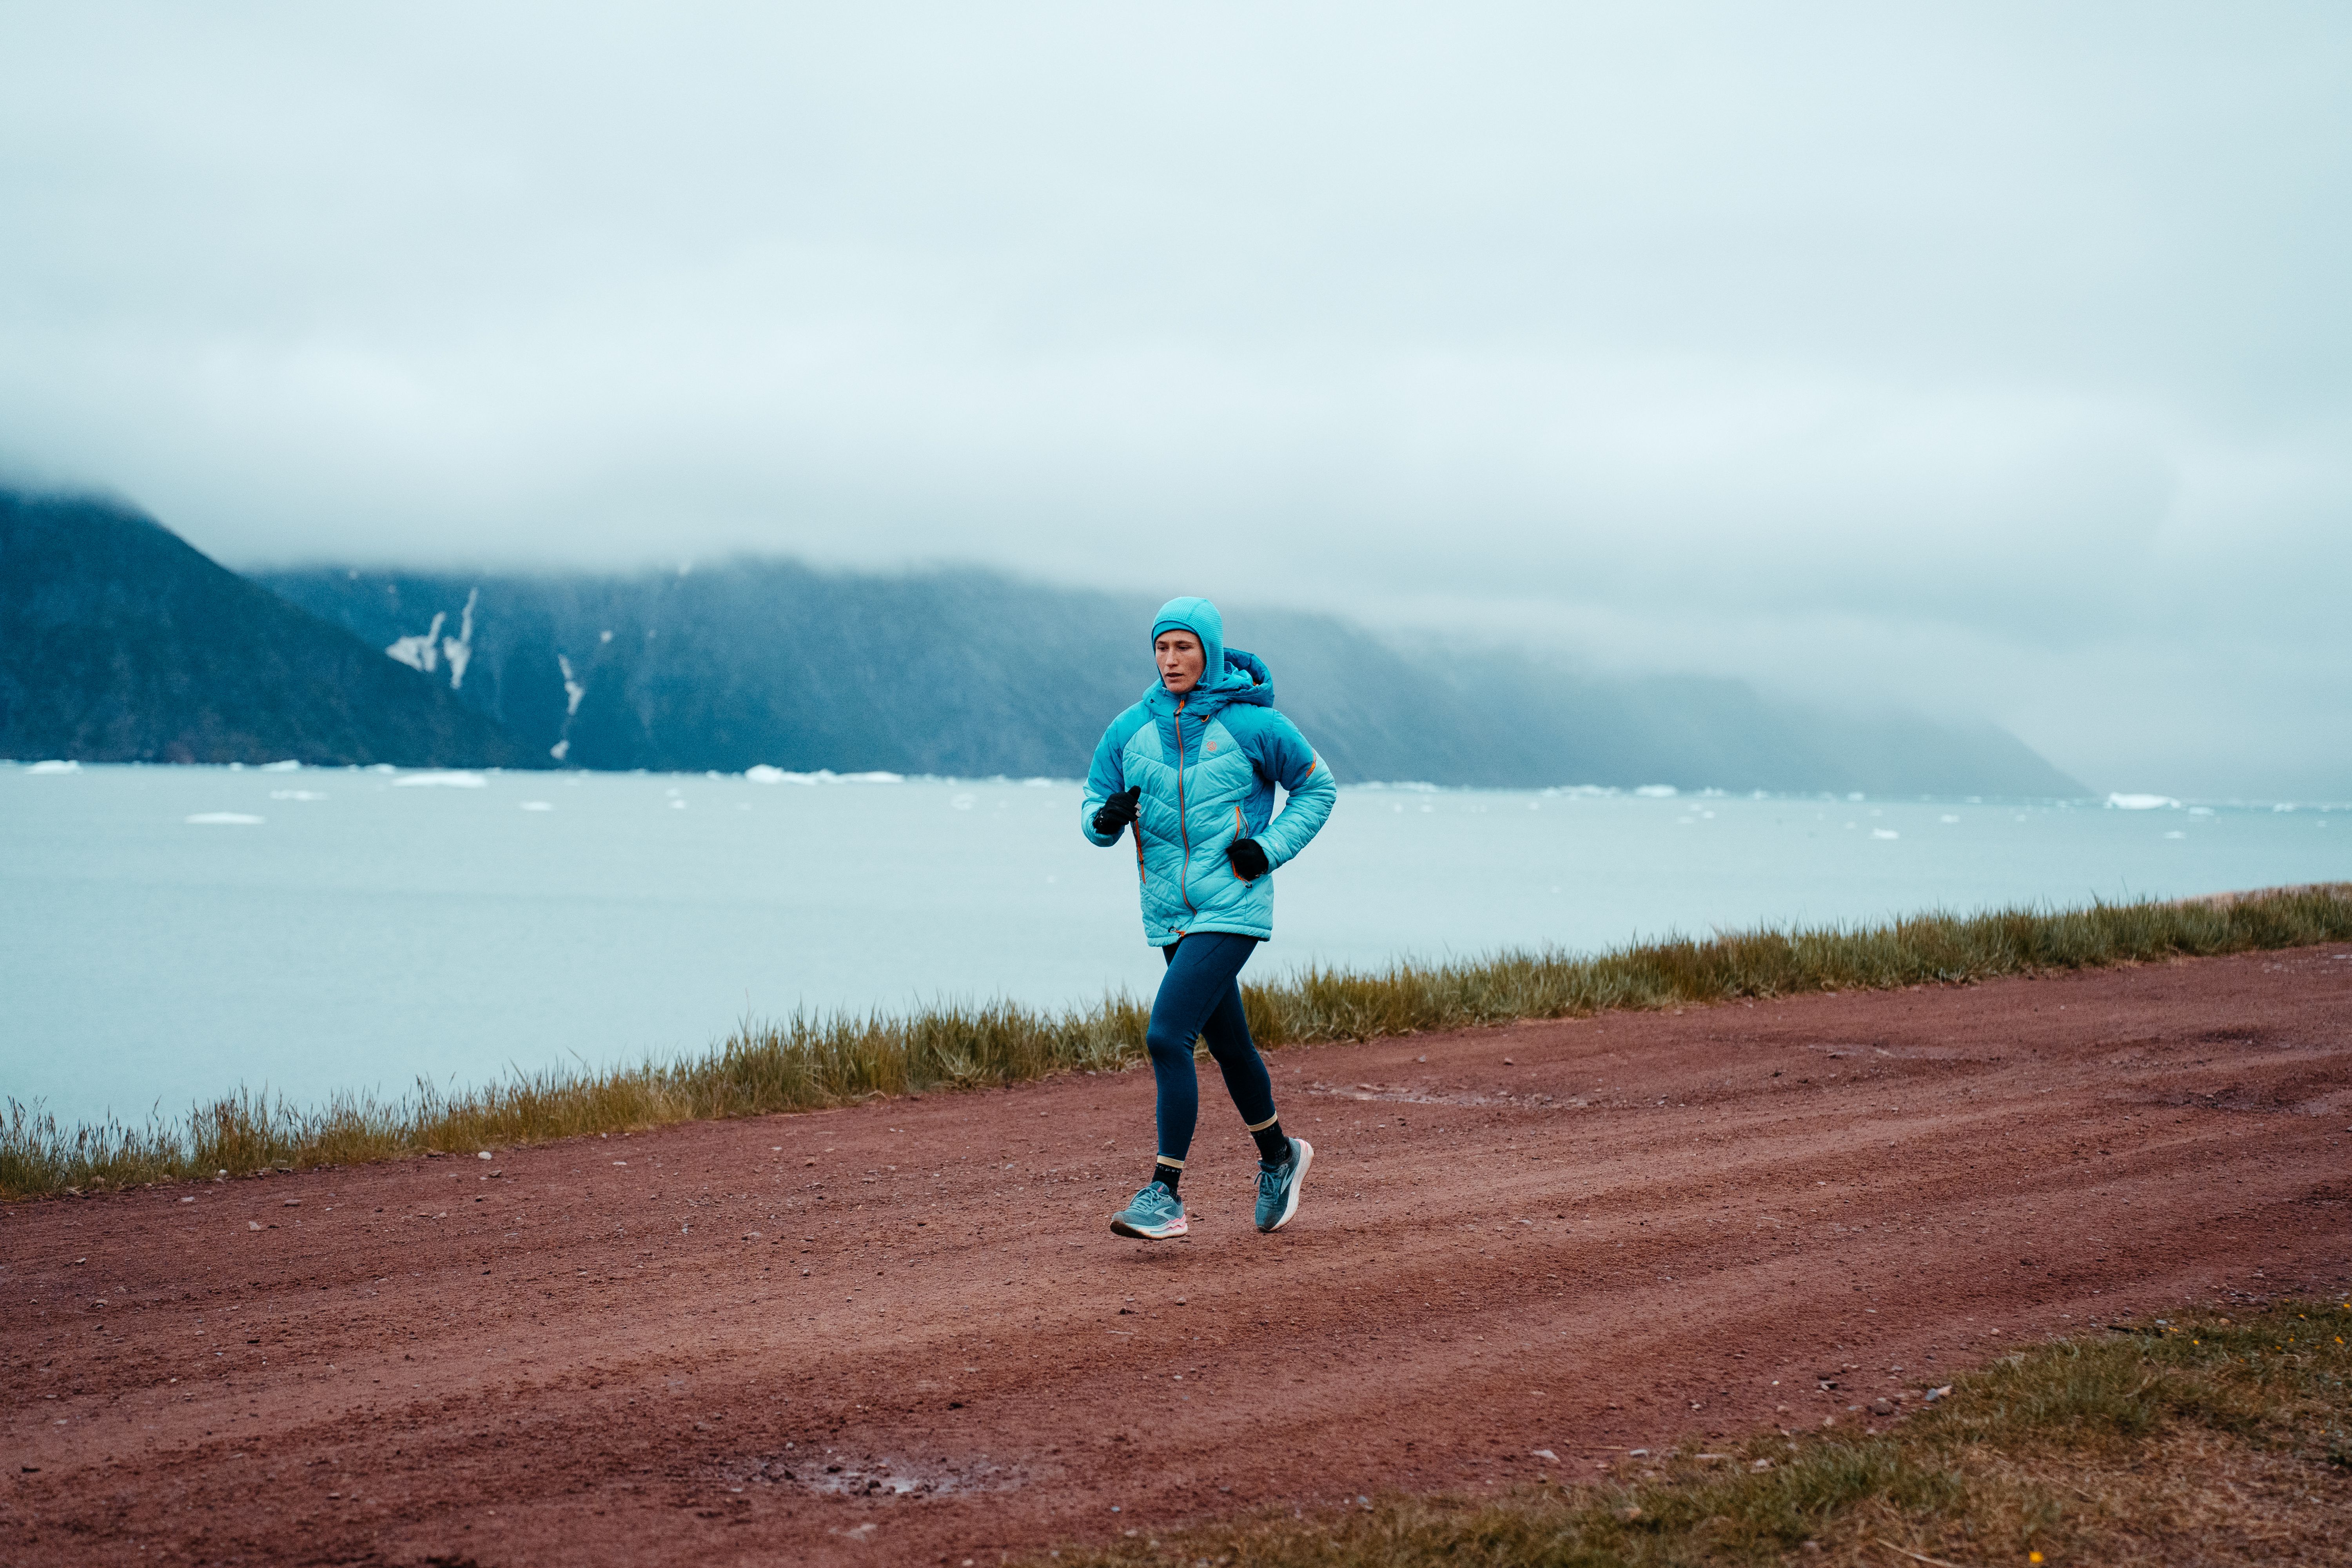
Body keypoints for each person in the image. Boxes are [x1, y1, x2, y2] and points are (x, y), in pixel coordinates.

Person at [1081, 596, 1337, 1240]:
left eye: (1184, 648)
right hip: (1170, 911)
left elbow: (1318, 787)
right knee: (1227, 1044)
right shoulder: (1130, 730)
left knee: (1168, 1035)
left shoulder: (1255, 725)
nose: (1171, 660)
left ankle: (1164, 1194)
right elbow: (1092, 801)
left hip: (1233, 902)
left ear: (1210, 652)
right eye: (1162, 648)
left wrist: (1270, 848)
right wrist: (1103, 820)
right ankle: (1280, 1156)